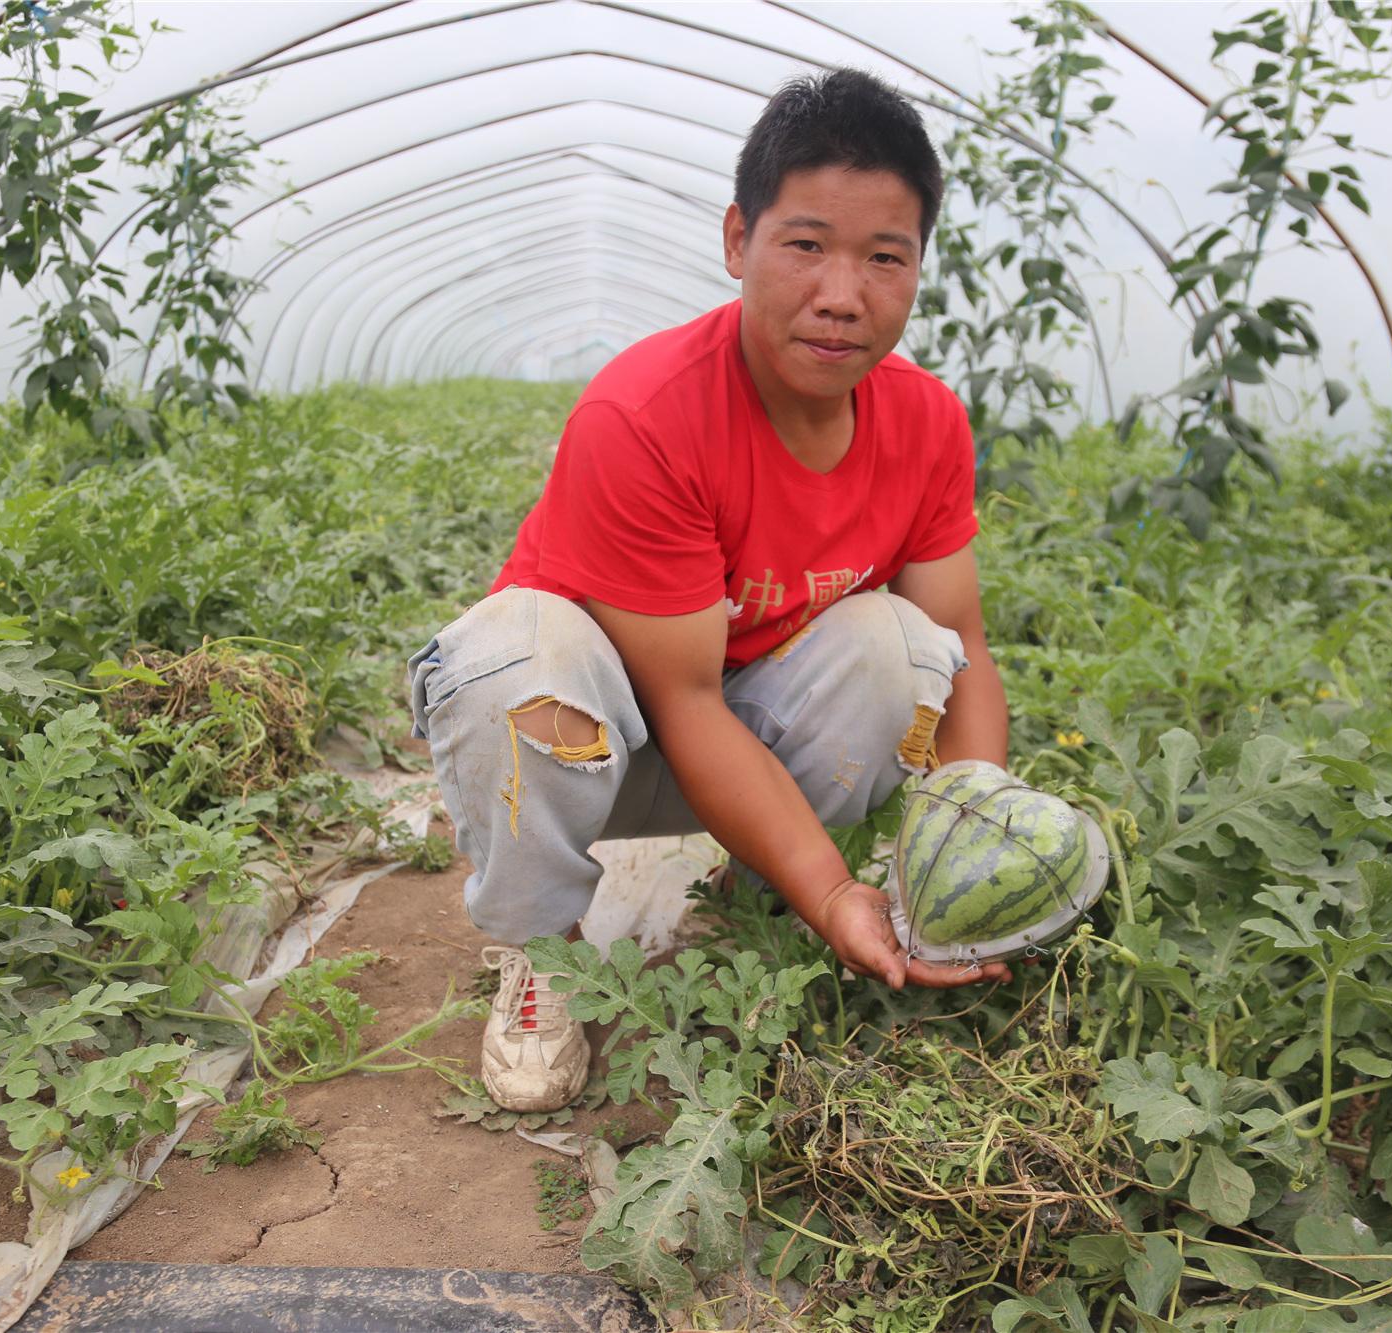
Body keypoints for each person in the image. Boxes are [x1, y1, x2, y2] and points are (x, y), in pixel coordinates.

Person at [405, 67, 1013, 1113]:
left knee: (904, 648)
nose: (841, 295)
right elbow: (681, 701)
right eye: (806, 244)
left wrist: (981, 841)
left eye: (884, 258)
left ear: (917, 268)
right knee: (512, 651)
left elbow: (961, 643)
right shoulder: (645, 415)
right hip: (590, 742)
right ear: (738, 241)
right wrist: (834, 890)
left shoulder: (925, 423)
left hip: (742, 745)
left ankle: (749, 900)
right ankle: (544, 956)